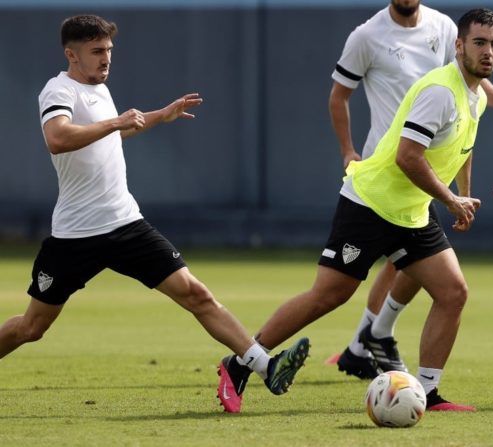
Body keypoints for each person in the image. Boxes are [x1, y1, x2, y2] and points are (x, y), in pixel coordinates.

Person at [0, 14, 309, 415]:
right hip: (76, 236)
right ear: (71, 54)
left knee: (196, 294)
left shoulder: (100, 89)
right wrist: (117, 120)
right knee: (32, 327)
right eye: (97, 51)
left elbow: (110, 132)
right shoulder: (58, 90)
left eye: (109, 50)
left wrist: (158, 116)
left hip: (126, 223)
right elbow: (58, 138)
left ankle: (265, 366)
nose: (106, 58)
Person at [219, 8, 493, 412]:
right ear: (458, 46)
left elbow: (461, 148)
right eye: (479, 42)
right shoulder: (440, 90)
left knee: (453, 291)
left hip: (411, 211)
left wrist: (465, 194)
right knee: (329, 296)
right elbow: (409, 157)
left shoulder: (474, 94)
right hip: (370, 204)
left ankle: (427, 391)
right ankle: (241, 362)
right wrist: (449, 199)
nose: (488, 51)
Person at [328, 0, 493, 380]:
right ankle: (368, 338)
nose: (488, 50)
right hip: (393, 165)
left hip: (427, 167)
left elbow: (472, 74)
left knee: (417, 267)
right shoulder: (367, 36)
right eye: (481, 43)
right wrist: (347, 150)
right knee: (345, 286)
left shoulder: (443, 26)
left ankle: (366, 342)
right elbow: (339, 95)